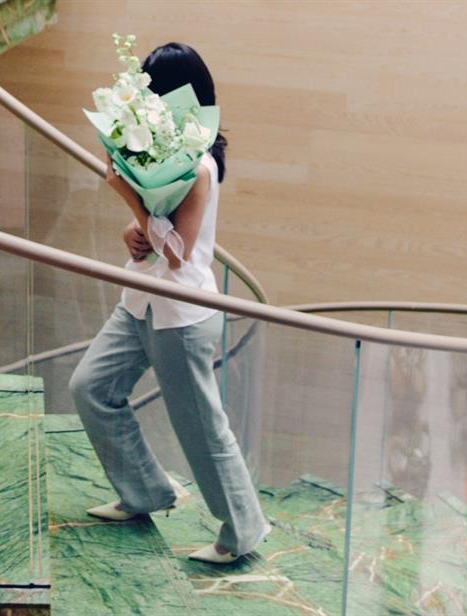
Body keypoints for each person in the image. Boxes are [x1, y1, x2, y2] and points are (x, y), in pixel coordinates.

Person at [69, 42, 270, 564]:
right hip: (138, 302)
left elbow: (180, 256)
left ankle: (243, 529)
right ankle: (144, 493)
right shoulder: (159, 156)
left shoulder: (199, 166)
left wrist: (126, 195)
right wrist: (131, 230)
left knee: (201, 429)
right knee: (91, 387)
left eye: (156, 92)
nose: (151, 104)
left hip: (180, 314)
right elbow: (158, 237)